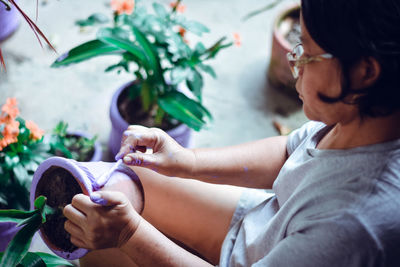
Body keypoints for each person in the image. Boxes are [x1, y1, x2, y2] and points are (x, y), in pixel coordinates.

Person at [63, 0, 400, 266]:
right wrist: (185, 160)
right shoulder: (364, 116)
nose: (294, 60)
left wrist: (128, 236)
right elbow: (289, 152)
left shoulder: (351, 227)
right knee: (133, 176)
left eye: (308, 54)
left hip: (274, 249)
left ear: (365, 71)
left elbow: (125, 236)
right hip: (263, 230)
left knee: (96, 245)